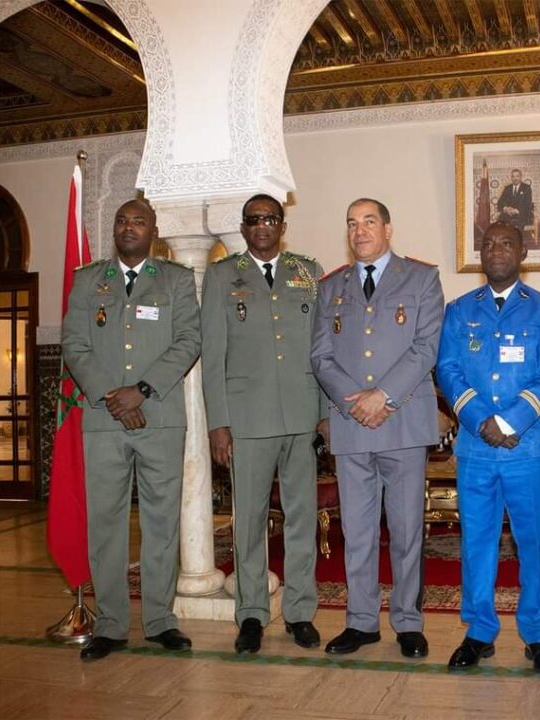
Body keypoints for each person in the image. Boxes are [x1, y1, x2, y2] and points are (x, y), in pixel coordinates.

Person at [62, 199, 200, 661]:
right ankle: (112, 624)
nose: (128, 227)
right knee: (106, 523)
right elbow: (74, 344)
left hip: (159, 416)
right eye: (122, 220)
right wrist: (112, 396)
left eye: (139, 221)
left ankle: (160, 621)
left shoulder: (176, 279)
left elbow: (189, 340)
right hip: (104, 420)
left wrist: (140, 391)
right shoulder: (88, 280)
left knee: (162, 522)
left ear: (153, 232)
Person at [311, 198, 444, 659]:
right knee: (358, 531)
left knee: (406, 531)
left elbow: (426, 347)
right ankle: (361, 622)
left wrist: (382, 396)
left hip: (402, 421)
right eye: (352, 223)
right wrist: (357, 402)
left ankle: (408, 622)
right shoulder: (331, 286)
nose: (360, 230)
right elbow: (320, 356)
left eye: (369, 221)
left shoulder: (422, 278)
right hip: (352, 425)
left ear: (388, 229)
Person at [436, 222, 540, 675]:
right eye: (488, 244)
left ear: (523, 252)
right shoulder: (459, 311)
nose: (495, 250)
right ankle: (479, 631)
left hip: (526, 449)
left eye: (506, 243)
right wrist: (480, 421)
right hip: (476, 450)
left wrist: (508, 422)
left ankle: (538, 635)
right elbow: (447, 370)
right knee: (477, 543)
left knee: (534, 544)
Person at [201, 194, 327, 654]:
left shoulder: (307, 272)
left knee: (302, 519)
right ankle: (252, 613)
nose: (262, 226)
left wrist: (324, 413)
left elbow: (322, 350)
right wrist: (219, 423)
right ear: (243, 227)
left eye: (270, 218)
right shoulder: (221, 276)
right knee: (249, 523)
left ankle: (300, 612)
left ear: (282, 225)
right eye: (253, 220)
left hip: (301, 414)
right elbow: (212, 355)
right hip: (247, 419)